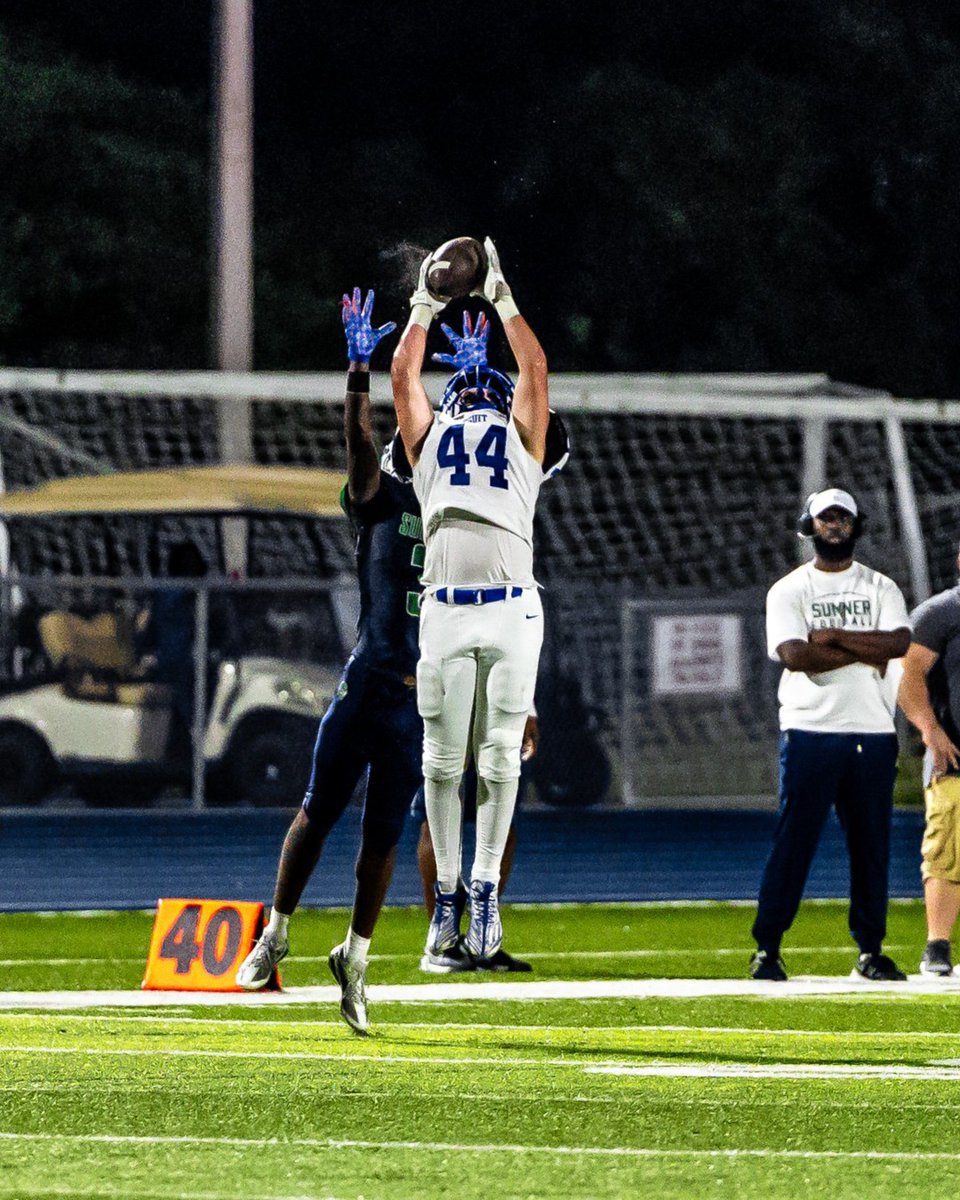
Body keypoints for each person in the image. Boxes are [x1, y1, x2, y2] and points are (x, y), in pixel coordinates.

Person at [235, 287, 411, 1034]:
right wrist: (358, 369)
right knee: (318, 809)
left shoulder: (478, 520)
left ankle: (356, 962)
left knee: (384, 838)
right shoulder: (387, 495)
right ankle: (275, 930)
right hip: (370, 678)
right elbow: (358, 446)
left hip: (422, 698)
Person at [391, 236, 551, 969]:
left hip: (503, 606)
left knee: (488, 761)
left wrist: (453, 301)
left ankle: (479, 886)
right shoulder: (460, 441)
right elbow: (530, 368)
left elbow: (532, 372)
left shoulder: (512, 440)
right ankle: (454, 890)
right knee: (446, 762)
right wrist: (485, 297)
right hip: (462, 607)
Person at [749, 487, 912, 982]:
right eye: (826, 518)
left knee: (871, 846)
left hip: (872, 732)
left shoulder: (882, 587)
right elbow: (796, 655)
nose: (834, 525)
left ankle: (869, 950)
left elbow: (900, 641)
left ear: (856, 526)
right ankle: (768, 948)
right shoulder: (789, 589)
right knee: (793, 842)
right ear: (809, 525)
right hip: (810, 729)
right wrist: (867, 650)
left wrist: (835, 638)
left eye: (843, 518)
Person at [412, 711, 539, 973]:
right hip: (446, 707)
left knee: (503, 828)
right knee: (437, 823)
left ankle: (481, 936)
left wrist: (528, 708)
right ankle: (442, 938)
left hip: (497, 712)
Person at [898, 542, 960, 977]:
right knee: (946, 850)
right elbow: (908, 674)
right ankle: (937, 945)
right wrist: (929, 728)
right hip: (955, 753)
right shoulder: (941, 612)